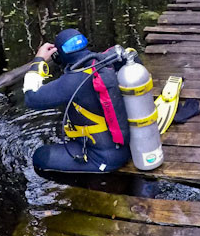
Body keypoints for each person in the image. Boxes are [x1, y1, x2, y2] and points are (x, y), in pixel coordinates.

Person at [22, 28, 131, 172]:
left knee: (41, 156)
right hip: (127, 145)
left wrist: (39, 59)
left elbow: (31, 97)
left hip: (103, 158)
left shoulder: (73, 81)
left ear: (58, 56)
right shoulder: (104, 61)